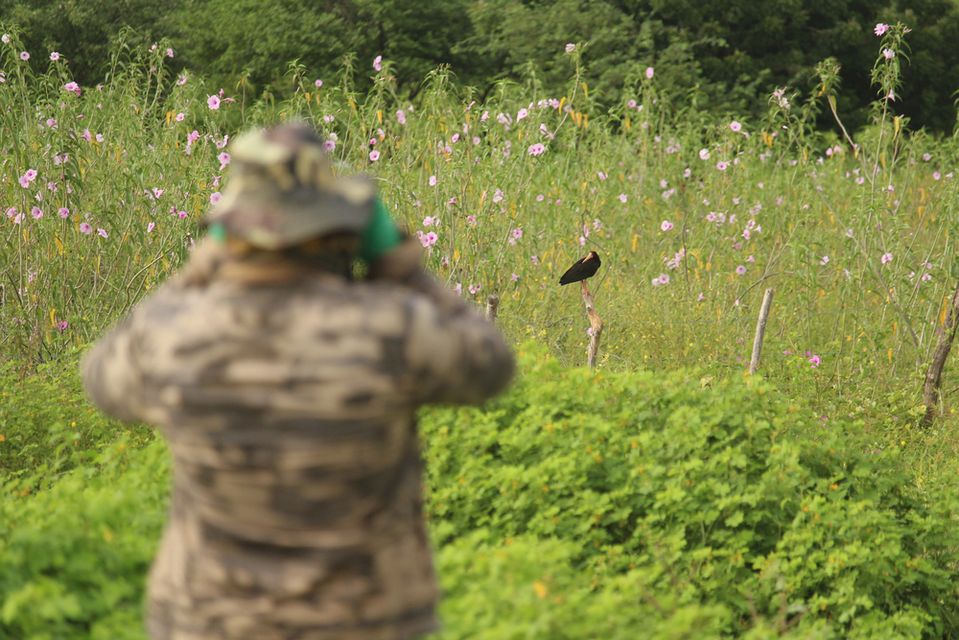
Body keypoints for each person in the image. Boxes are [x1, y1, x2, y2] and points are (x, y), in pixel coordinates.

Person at [81, 122, 515, 640]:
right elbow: (491, 365)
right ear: (339, 232)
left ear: (233, 231)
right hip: (365, 621)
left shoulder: (171, 333)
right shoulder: (392, 329)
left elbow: (101, 380)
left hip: (208, 620)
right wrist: (400, 265)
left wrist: (197, 271)